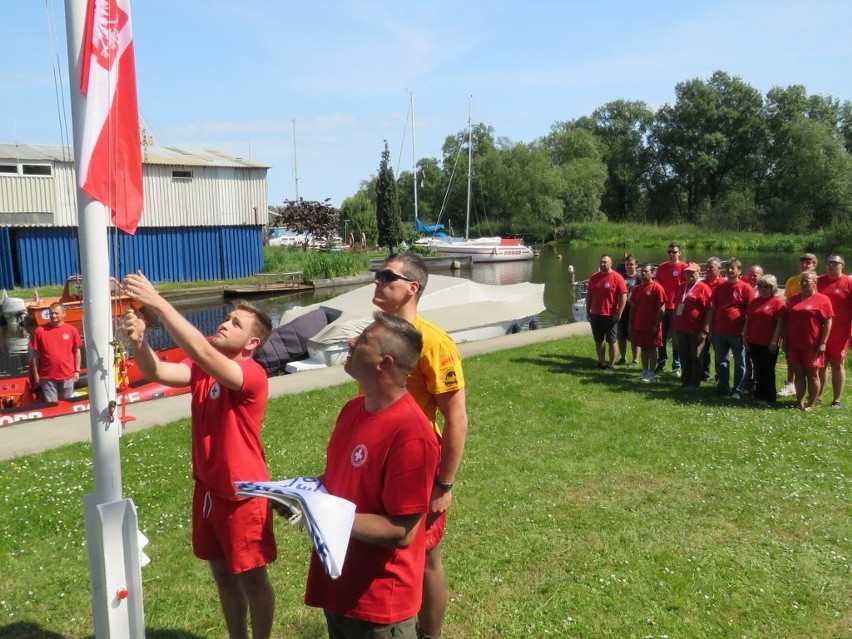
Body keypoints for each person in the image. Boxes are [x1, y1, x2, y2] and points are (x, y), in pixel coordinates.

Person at [121, 272, 276, 639]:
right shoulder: (203, 370)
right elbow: (157, 371)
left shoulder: (250, 374)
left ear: (252, 342)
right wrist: (140, 342)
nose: (224, 324)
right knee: (222, 574)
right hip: (208, 491)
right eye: (226, 318)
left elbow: (201, 351)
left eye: (235, 323)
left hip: (243, 495)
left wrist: (158, 302)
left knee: (253, 580)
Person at [304, 311, 440, 639]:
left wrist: (320, 512)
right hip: (338, 586)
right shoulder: (353, 410)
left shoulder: (411, 434)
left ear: (384, 363)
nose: (351, 342)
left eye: (363, 339)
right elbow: (343, 481)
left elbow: (403, 530)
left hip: (379, 607)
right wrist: (299, 495)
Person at [371, 252, 468, 639]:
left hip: (417, 468)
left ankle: (430, 634)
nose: (377, 281)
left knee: (426, 557)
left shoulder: (433, 342)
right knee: (387, 551)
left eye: (386, 276)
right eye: (377, 274)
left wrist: (444, 484)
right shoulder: (378, 334)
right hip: (378, 463)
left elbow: (456, 417)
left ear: (413, 288)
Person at [704, 258, 754, 399]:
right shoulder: (720, 287)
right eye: (729, 268)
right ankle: (722, 387)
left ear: (739, 271)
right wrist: (711, 330)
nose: (730, 271)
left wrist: (745, 331)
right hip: (720, 331)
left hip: (737, 332)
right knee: (721, 361)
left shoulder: (745, 288)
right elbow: (713, 309)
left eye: (733, 268)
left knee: (740, 362)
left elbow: (750, 312)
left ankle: (738, 389)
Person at [785, 270, 833, 411]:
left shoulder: (823, 300)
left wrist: (823, 342)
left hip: (813, 344)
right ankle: (799, 402)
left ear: (814, 282)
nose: (804, 283)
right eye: (802, 281)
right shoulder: (793, 300)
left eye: (807, 281)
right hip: (794, 343)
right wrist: (785, 341)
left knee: (812, 375)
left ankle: (811, 403)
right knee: (799, 374)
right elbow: (787, 322)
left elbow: (828, 322)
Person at [742, 275, 786, 407]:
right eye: (760, 286)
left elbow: (780, 324)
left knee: (768, 369)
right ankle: (758, 394)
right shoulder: (755, 302)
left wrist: (775, 341)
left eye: (765, 286)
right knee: (757, 368)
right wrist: (744, 335)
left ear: (772, 288)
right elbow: (748, 320)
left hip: (768, 342)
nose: (762, 289)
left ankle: (769, 396)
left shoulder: (778, 302)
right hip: (754, 340)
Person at [780, 253, 819, 397]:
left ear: (815, 265)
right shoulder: (792, 281)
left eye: (808, 262)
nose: (804, 265)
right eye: (802, 262)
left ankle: (816, 393)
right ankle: (790, 384)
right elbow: (788, 303)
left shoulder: (817, 281)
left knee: (814, 364)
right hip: (794, 323)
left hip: (811, 326)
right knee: (791, 357)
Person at [816, 255, 852, 408]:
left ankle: (837, 400)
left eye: (834, 263)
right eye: (828, 262)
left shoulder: (848, 283)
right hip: (820, 329)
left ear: (842, 265)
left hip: (841, 330)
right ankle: (818, 395)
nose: (831, 265)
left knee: (837, 363)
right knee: (820, 364)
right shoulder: (819, 281)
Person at [29, 302, 82, 402]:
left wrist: (77, 371)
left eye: (56, 313)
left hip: (68, 375)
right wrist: (36, 375)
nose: (53, 316)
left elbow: (77, 351)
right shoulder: (39, 331)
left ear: (64, 314)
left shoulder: (72, 330)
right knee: (51, 405)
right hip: (47, 376)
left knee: (67, 404)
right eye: (51, 313)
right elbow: (35, 355)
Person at [672, 263, 713, 389]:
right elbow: (677, 305)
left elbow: (710, 310)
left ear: (698, 273)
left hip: (696, 329)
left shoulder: (703, 288)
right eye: (687, 272)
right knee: (684, 354)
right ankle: (685, 379)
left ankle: (695, 382)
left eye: (692, 272)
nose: (689, 275)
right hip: (681, 328)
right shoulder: (681, 287)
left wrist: (705, 330)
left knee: (696, 356)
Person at [585, 255, 628, 372]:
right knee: (598, 340)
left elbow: (623, 296)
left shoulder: (617, 277)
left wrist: (619, 313)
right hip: (595, 314)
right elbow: (589, 295)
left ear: (610, 263)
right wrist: (588, 311)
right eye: (601, 262)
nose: (602, 264)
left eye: (605, 262)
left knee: (612, 340)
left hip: (610, 315)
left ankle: (611, 364)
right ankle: (602, 362)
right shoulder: (594, 277)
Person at [628, 264, 666, 382]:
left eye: (646, 271)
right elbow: (633, 307)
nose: (643, 274)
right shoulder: (637, 289)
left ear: (652, 273)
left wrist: (656, 324)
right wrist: (631, 322)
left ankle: (651, 373)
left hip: (652, 326)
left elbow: (662, 308)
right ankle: (644, 371)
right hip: (639, 324)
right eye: (642, 272)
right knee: (643, 348)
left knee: (651, 349)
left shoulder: (657, 288)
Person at [654, 242, 686, 376]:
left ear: (679, 253)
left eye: (674, 252)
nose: (671, 254)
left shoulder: (684, 268)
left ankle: (676, 365)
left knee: (676, 337)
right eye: (669, 252)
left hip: (677, 307)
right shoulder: (662, 267)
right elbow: (657, 286)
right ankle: (661, 362)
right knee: (662, 337)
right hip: (663, 307)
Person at [701, 257, 724, 382]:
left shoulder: (724, 284)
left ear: (719, 269)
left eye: (711, 267)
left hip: (718, 322)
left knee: (719, 351)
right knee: (704, 350)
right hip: (703, 321)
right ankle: (704, 373)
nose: (708, 269)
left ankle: (719, 376)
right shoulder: (702, 283)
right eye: (707, 267)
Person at [616, 254, 641, 366]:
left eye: (631, 264)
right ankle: (622, 357)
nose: (629, 266)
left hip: (635, 311)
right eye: (627, 265)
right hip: (622, 310)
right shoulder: (621, 277)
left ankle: (635, 359)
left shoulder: (639, 278)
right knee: (621, 335)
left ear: (636, 265)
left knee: (634, 336)